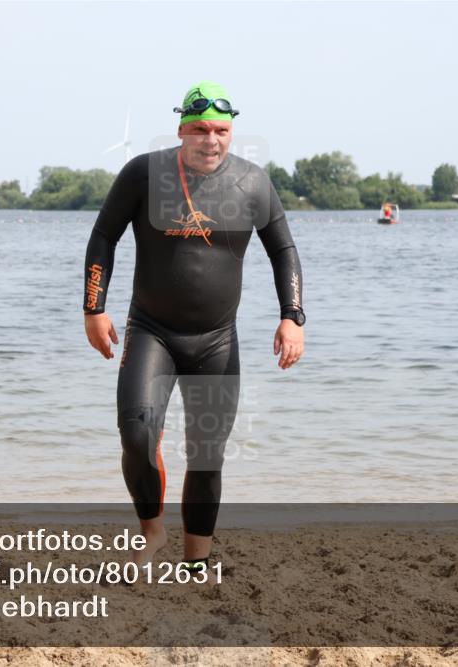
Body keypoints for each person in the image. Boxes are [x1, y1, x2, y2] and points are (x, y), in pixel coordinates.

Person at [83, 81, 306, 569]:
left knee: (207, 456)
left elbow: (284, 250)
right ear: (181, 129)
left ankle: (197, 560)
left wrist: (292, 317)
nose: (212, 140)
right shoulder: (144, 173)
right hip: (151, 332)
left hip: (216, 339)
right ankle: (152, 533)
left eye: (222, 130)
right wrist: (94, 308)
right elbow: (104, 235)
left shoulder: (252, 182)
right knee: (137, 436)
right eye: (201, 129)